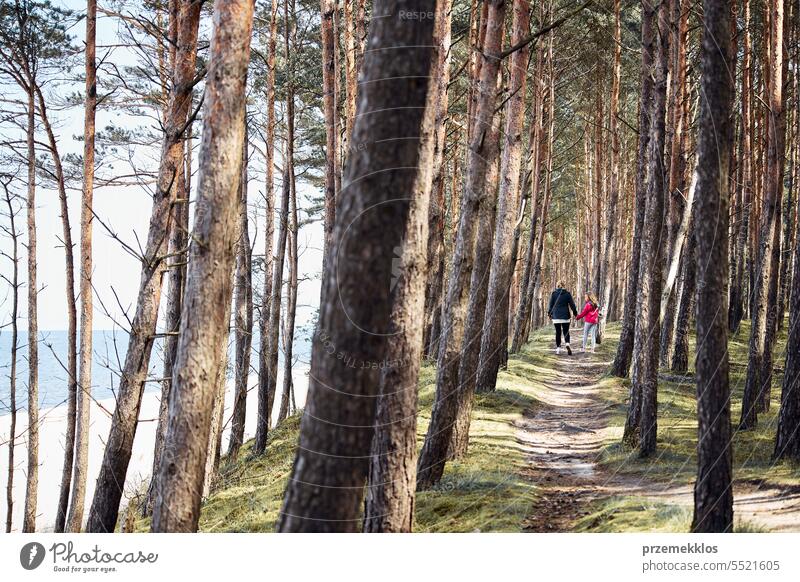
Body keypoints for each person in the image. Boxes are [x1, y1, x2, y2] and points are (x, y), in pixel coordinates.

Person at [547, 282, 578, 355]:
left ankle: (558, 349)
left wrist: (549, 313)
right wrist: (575, 313)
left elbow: (551, 305)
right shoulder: (567, 294)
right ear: (564, 286)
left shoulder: (554, 294)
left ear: (557, 286)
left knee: (558, 332)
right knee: (566, 331)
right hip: (565, 316)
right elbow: (572, 305)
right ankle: (567, 344)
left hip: (556, 316)